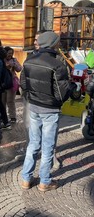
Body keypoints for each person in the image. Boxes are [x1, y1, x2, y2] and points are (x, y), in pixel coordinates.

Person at [20, 31, 75, 192]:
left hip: (34, 106)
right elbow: (62, 91)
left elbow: (24, 84)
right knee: (48, 146)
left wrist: (32, 97)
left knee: (33, 143)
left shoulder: (29, 60)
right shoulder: (57, 64)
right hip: (50, 109)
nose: (59, 44)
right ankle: (44, 181)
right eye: (57, 42)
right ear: (52, 44)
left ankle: (26, 178)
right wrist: (59, 100)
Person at [3, 46, 22, 123]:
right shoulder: (1, 60)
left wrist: (14, 65)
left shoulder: (14, 60)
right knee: (2, 101)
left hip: (11, 83)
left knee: (10, 101)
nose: (10, 55)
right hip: (3, 83)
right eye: (8, 53)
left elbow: (19, 69)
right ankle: (3, 116)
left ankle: (13, 117)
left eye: (11, 53)